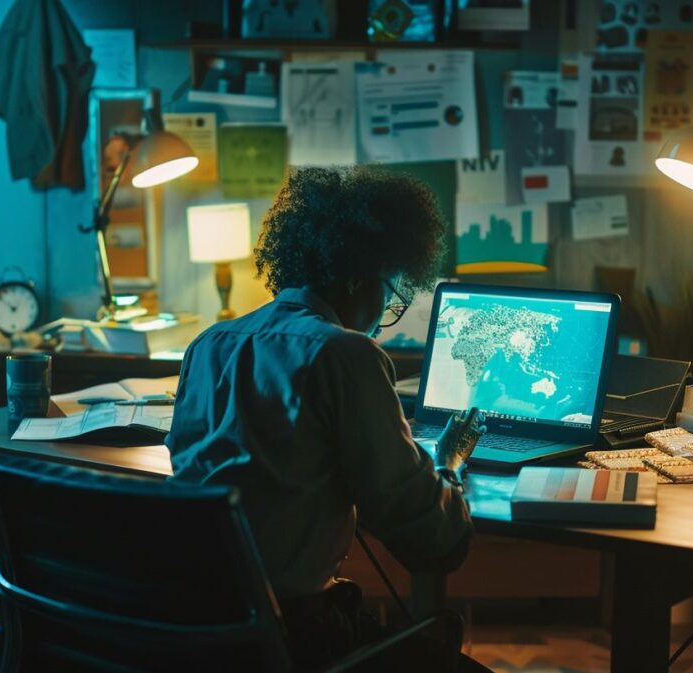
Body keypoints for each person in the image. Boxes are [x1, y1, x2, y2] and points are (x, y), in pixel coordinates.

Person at [167, 166, 490, 671]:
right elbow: (431, 541)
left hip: (201, 632)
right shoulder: (346, 354)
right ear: (359, 276)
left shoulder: (209, 343)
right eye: (390, 289)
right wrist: (447, 462)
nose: (386, 308)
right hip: (296, 640)